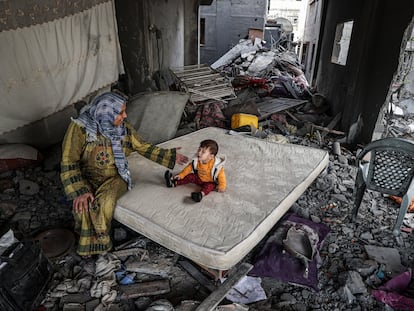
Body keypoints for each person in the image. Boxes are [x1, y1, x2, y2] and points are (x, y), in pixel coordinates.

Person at [60, 92, 188, 257]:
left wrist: (169, 156)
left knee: (104, 203)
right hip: (86, 177)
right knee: (82, 206)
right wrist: (80, 189)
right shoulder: (79, 129)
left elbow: (143, 147)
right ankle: (87, 245)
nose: (125, 116)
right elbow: (68, 161)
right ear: (106, 112)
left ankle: (102, 247)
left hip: (115, 176)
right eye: (120, 112)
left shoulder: (123, 129)